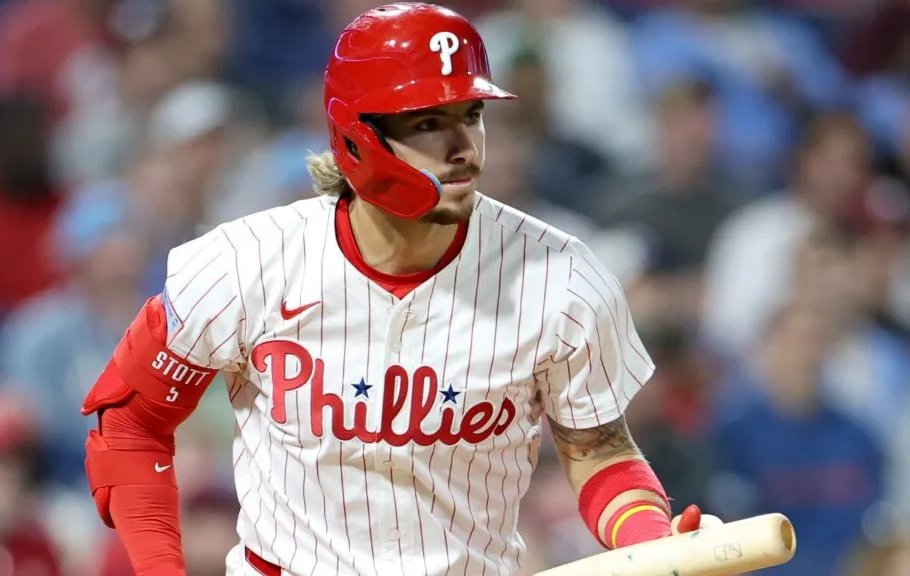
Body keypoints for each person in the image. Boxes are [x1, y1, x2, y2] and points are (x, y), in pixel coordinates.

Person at [80, 4, 720, 575]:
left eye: (471, 115)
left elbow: (600, 453)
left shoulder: (562, 276)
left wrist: (652, 539)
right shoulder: (248, 260)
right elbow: (129, 424)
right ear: (357, 137)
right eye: (428, 123)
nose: (464, 146)